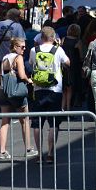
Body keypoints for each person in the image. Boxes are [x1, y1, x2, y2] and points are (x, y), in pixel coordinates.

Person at [28, 26, 71, 162]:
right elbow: (68, 62)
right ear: (53, 38)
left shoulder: (34, 50)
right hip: (55, 89)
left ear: (41, 37)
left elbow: (31, 63)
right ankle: (51, 153)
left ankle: (39, 153)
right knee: (53, 123)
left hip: (38, 89)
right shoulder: (58, 50)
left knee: (37, 123)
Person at [0, 37, 36, 159]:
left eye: (25, 47)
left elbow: (1, 75)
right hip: (17, 92)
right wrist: (28, 80)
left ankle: (2, 151)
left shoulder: (5, 57)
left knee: (5, 121)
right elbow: (21, 74)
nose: (24, 49)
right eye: (22, 47)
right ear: (15, 47)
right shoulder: (18, 57)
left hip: (4, 91)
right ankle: (28, 149)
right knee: (24, 119)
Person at [62, 23, 83, 110]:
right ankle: (68, 108)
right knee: (70, 88)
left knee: (64, 89)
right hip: (74, 66)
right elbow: (81, 56)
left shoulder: (63, 39)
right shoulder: (78, 42)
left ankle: (62, 107)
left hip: (63, 64)